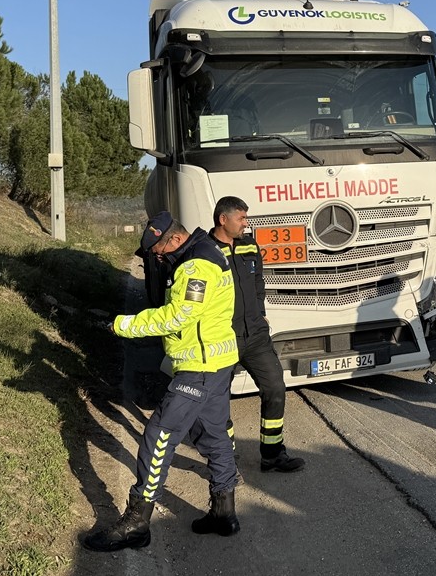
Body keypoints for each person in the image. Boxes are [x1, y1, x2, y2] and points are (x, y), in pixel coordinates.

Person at [82, 212, 242, 552]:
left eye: (158, 251)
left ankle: (137, 522)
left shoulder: (195, 267)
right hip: (217, 364)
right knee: (214, 435)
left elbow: (179, 315)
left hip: (199, 367)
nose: (157, 258)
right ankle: (224, 512)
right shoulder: (209, 251)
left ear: (173, 239)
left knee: (158, 437)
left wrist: (124, 325)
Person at [210, 196, 306, 473]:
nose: (246, 224)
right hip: (223, 336)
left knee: (275, 387)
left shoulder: (249, 245)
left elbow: (257, 280)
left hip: (255, 335)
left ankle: (273, 455)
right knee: (218, 400)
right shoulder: (205, 250)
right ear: (223, 219)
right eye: (241, 218)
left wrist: (261, 310)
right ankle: (225, 461)